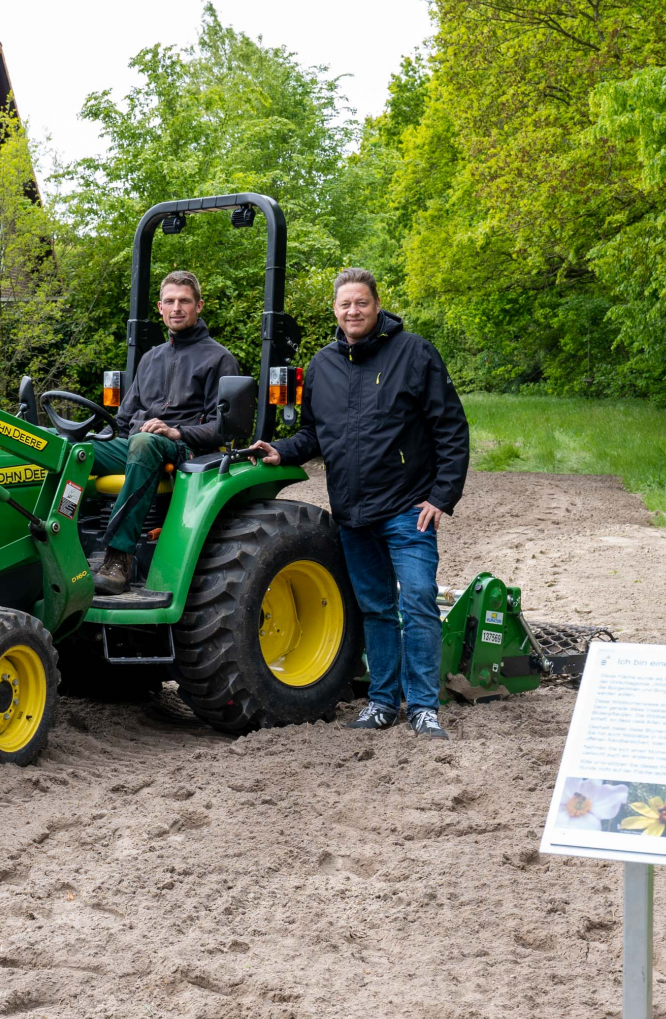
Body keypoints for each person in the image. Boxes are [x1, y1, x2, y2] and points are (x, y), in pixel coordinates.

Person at [253, 268, 469, 737]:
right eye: (345, 304)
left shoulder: (414, 354)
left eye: (361, 303)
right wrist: (281, 450)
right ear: (335, 309)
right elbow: (314, 433)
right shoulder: (324, 365)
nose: (353, 311)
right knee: (374, 608)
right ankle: (382, 703)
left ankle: (424, 707)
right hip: (352, 513)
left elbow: (450, 427)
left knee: (417, 602)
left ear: (377, 305)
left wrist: (442, 496)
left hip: (409, 509)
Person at [91, 270, 240, 595]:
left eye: (184, 301)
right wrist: (92, 434)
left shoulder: (219, 358)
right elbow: (124, 418)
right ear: (160, 308)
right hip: (140, 443)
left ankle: (118, 559)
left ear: (199, 306)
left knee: (145, 443)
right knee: (71, 449)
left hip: (186, 448)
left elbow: (221, 429)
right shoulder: (150, 358)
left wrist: (174, 432)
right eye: (170, 301)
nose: (177, 307)